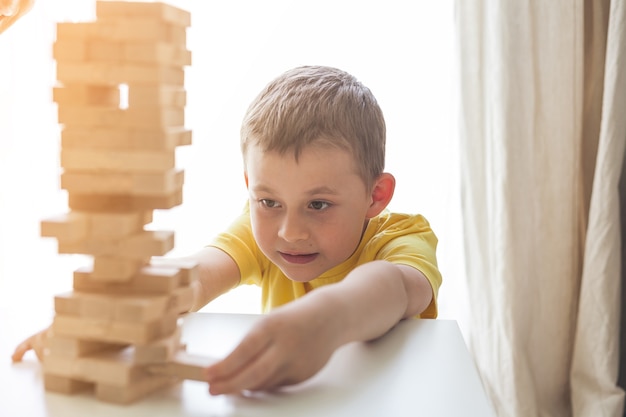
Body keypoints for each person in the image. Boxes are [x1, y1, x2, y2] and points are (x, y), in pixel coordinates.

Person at [12, 65, 443, 395]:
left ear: (376, 195)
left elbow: (391, 287)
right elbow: (196, 274)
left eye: (318, 205)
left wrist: (326, 322)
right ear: (249, 189)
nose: (290, 232)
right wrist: (111, 315)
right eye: (268, 201)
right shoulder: (263, 231)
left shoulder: (402, 240)